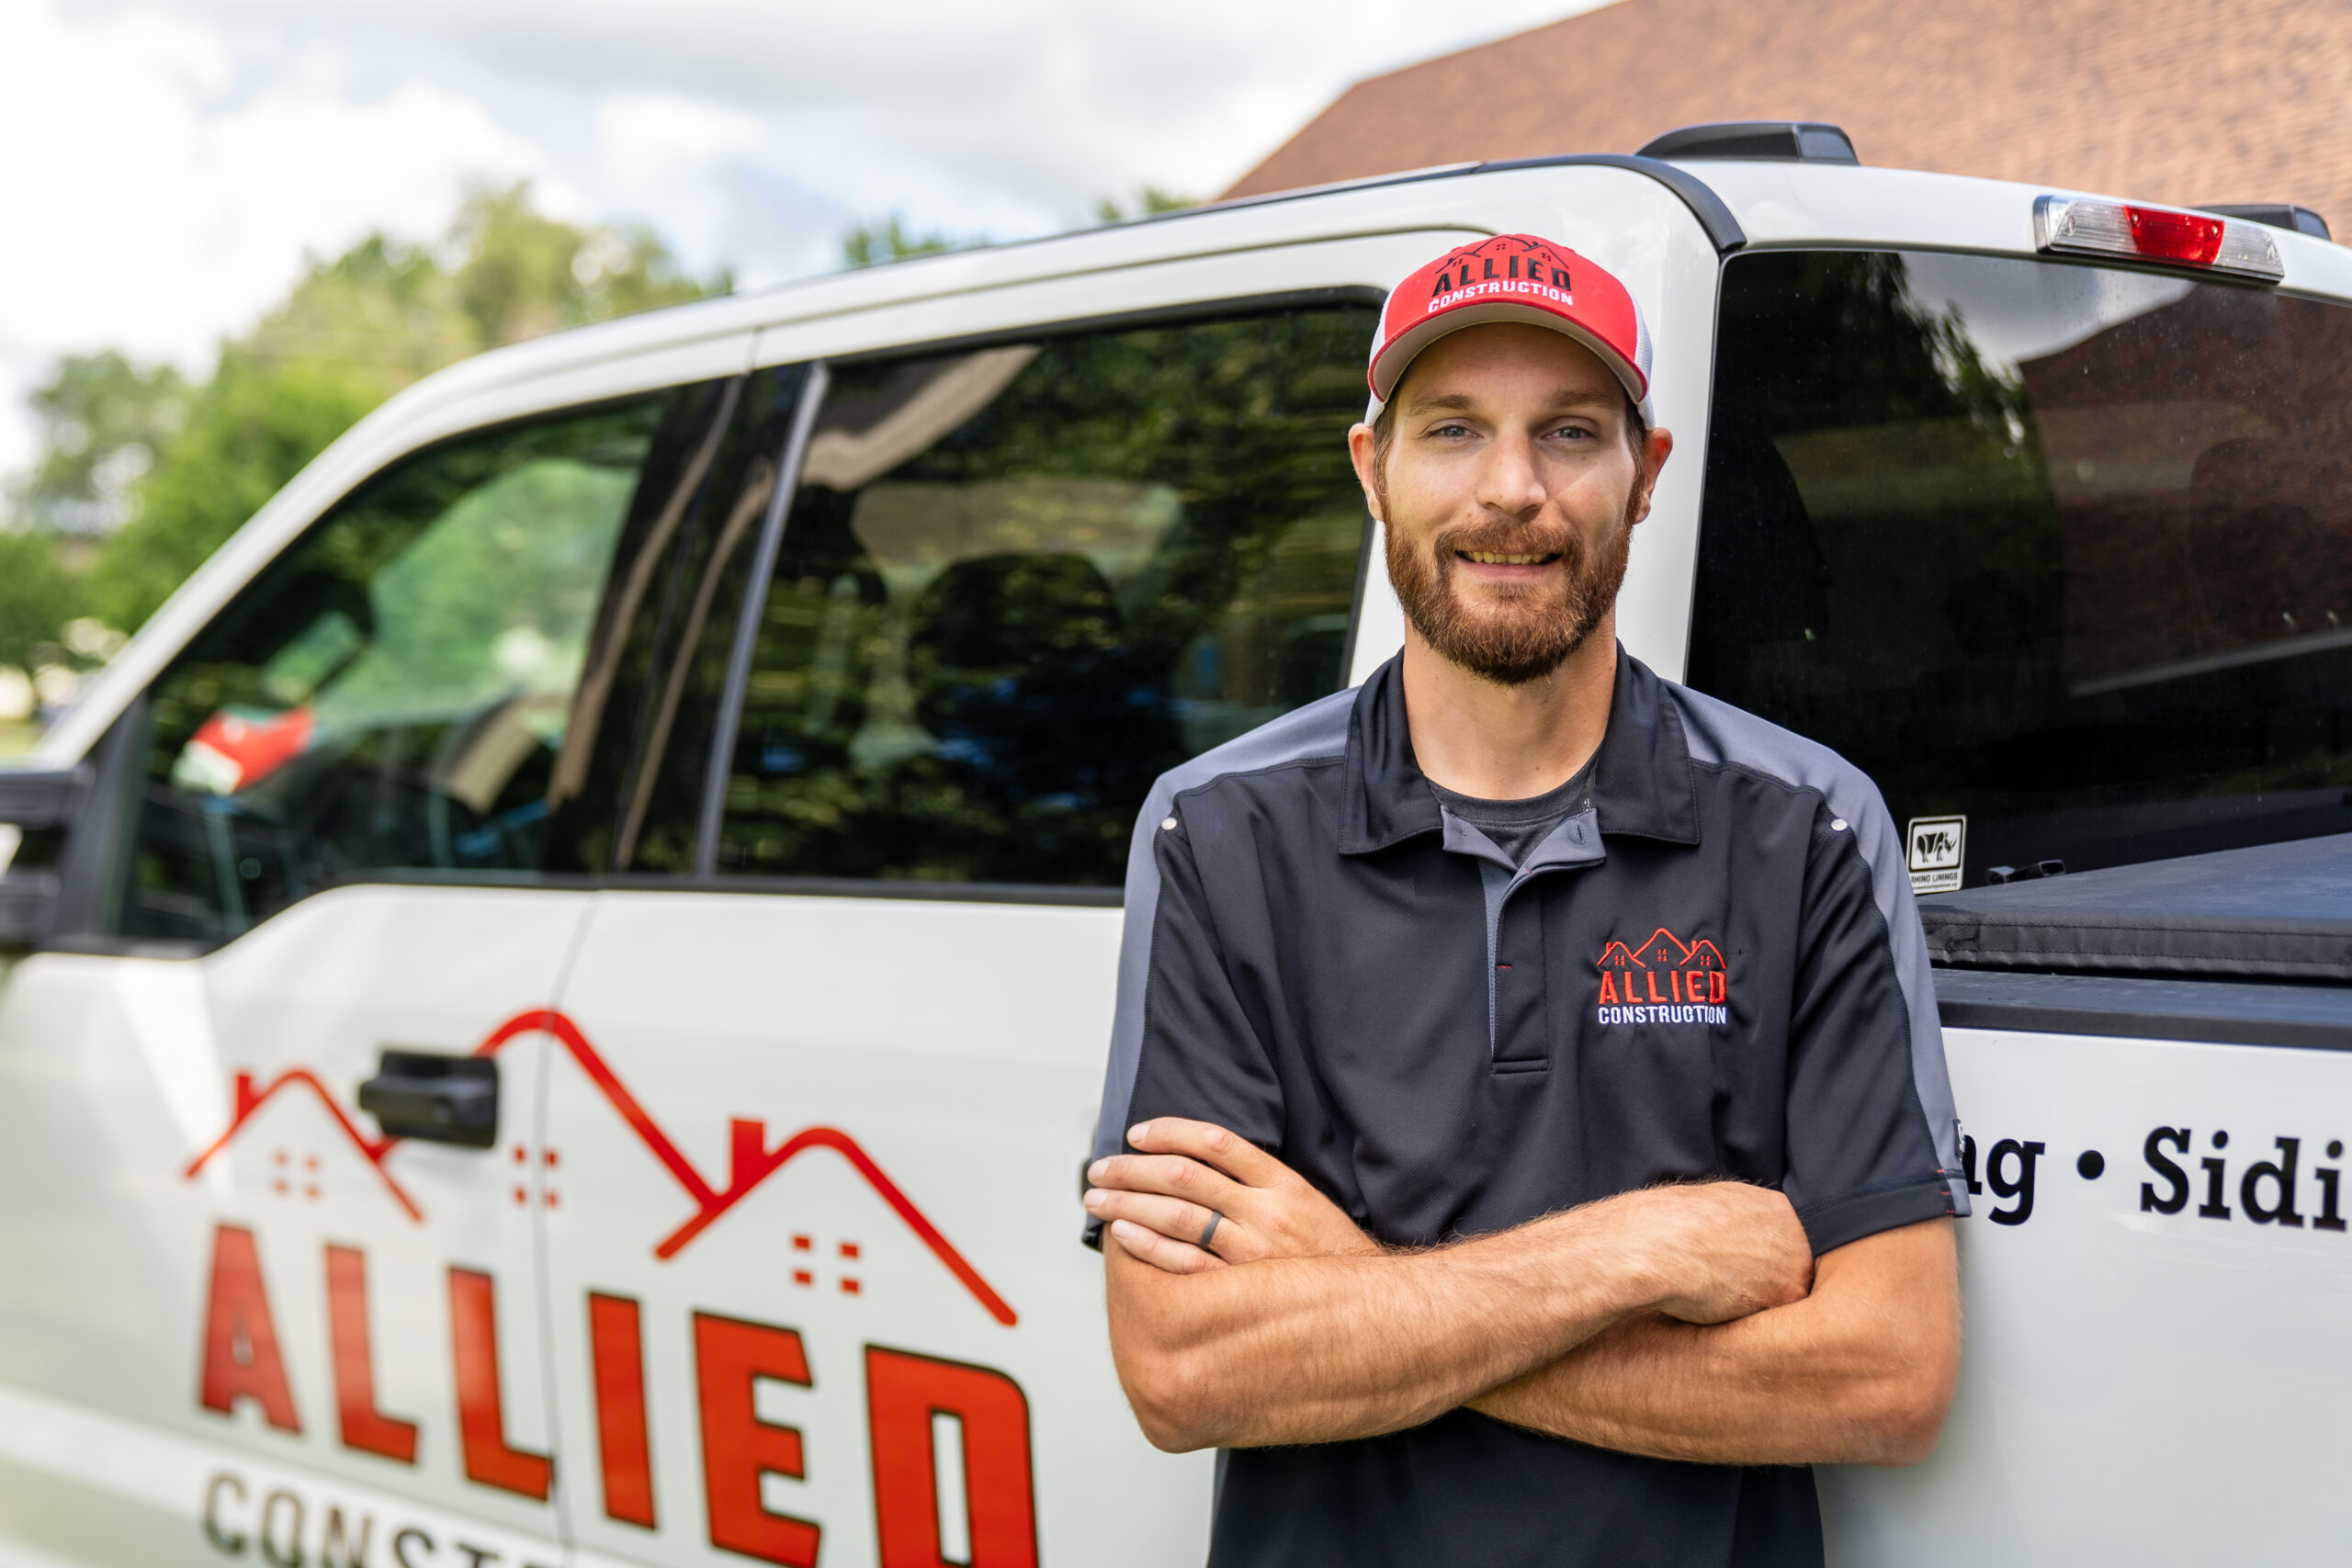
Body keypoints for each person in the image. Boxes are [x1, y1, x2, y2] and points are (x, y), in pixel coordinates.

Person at [1080, 233, 1967, 1568]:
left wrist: (1356, 1296)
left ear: (1645, 474)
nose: (1512, 491)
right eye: (1452, 431)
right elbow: (1183, 1372)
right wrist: (1642, 1247)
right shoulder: (1219, 831)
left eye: (1567, 432)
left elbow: (1887, 1375)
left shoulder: (1810, 827)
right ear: (1371, 469)